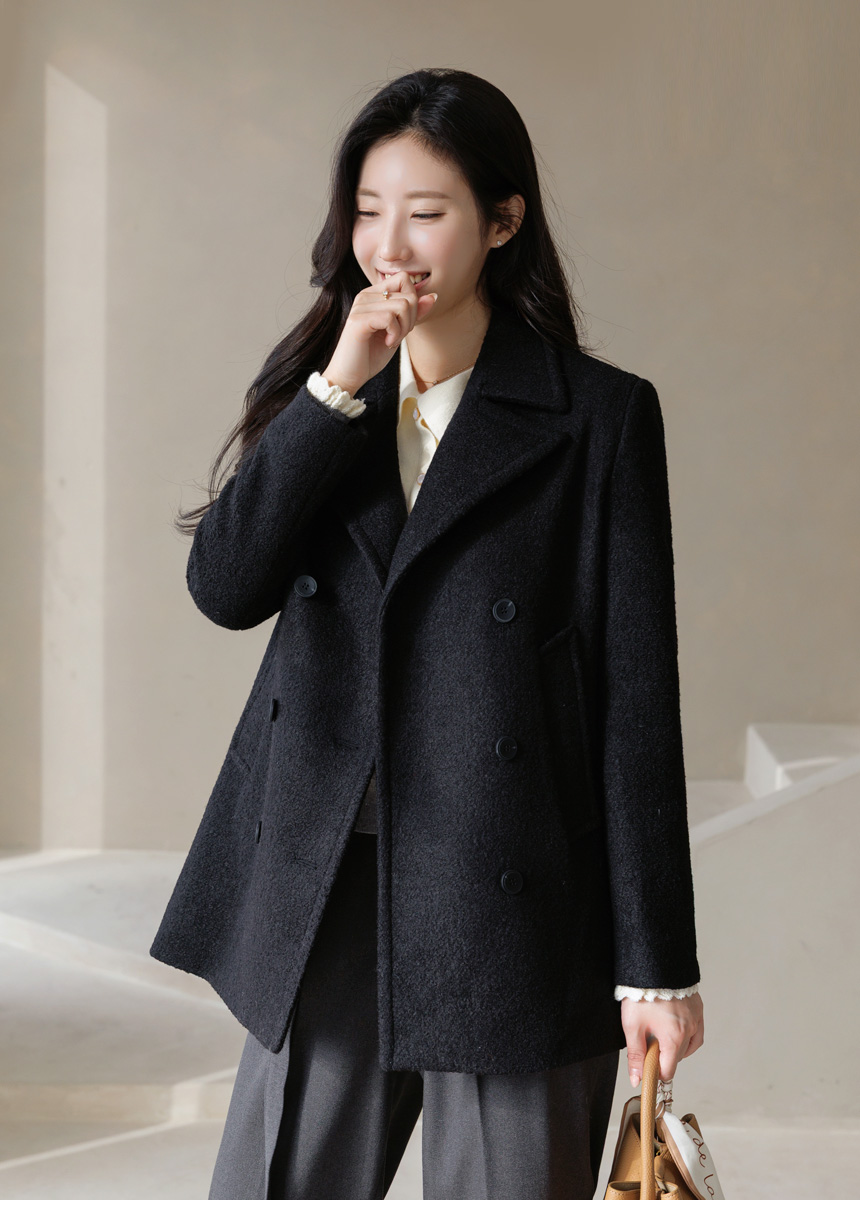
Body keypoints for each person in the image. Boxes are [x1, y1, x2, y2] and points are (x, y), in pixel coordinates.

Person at [150, 67, 704, 1200]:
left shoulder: (597, 419)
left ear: (501, 222)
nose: (389, 245)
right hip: (325, 872)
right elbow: (225, 587)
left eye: (425, 211)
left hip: (512, 889)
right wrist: (335, 389)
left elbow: (635, 703)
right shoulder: (329, 397)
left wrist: (656, 966)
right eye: (367, 210)